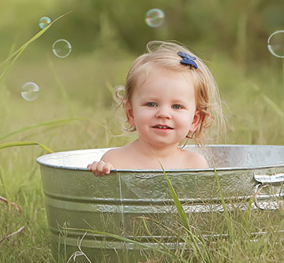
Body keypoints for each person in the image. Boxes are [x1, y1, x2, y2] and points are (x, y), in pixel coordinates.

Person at [88, 43, 224, 174]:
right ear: (131, 114)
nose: (164, 114)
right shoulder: (115, 160)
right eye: (151, 104)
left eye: (177, 106)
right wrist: (99, 175)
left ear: (195, 120)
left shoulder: (194, 164)